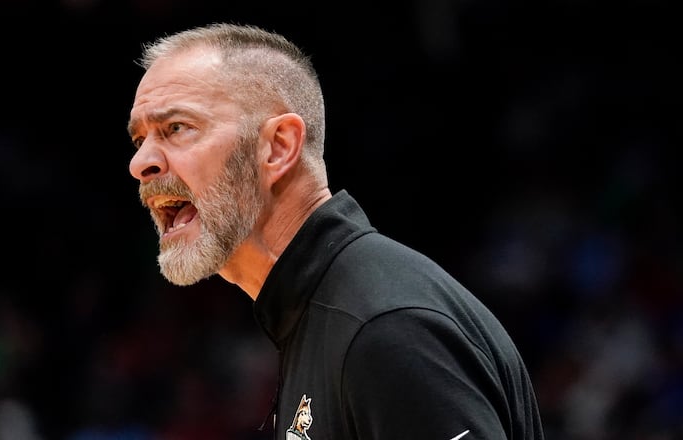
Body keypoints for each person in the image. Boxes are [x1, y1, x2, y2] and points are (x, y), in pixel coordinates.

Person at [126, 22, 545, 439]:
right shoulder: (319, 311)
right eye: (139, 139)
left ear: (278, 147)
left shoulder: (385, 329)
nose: (140, 162)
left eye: (176, 128)